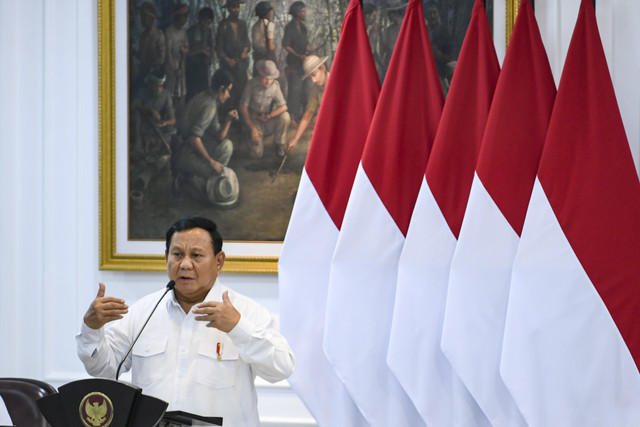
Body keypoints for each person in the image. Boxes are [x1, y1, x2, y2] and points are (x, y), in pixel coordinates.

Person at [76, 216, 295, 427]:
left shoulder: (245, 312)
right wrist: (92, 328)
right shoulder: (144, 311)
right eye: (177, 254)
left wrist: (237, 328)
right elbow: (103, 368)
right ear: (166, 257)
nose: (185, 264)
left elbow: (281, 368)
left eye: (197, 255)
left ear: (219, 262)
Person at [172, 69, 239, 205]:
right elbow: (193, 138)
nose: (229, 95)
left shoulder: (210, 99)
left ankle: (198, 179)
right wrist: (211, 162)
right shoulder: (209, 106)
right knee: (215, 172)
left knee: (227, 146)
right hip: (183, 151)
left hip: (192, 147)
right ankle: (186, 178)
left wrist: (228, 120)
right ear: (221, 88)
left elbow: (218, 137)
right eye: (228, 90)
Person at [130, 69, 175, 191]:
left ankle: (145, 176)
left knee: (164, 154)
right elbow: (134, 105)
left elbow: (173, 119)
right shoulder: (143, 92)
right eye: (155, 85)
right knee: (136, 115)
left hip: (158, 130)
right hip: (143, 129)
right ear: (150, 84)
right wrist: (149, 110)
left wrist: (165, 122)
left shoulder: (166, 95)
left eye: (160, 86)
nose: (158, 89)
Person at [239, 60, 290, 158]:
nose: (268, 81)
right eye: (266, 78)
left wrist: (269, 115)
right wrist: (252, 128)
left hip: (267, 119)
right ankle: (249, 137)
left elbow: (284, 106)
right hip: (254, 120)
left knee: (285, 116)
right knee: (256, 154)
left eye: (271, 78)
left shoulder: (275, 86)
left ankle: (279, 144)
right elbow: (243, 106)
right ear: (260, 75)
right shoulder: (251, 84)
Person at [286, 55, 328, 153]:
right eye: (310, 77)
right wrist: (295, 139)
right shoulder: (315, 90)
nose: (313, 80)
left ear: (322, 68)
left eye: (314, 75)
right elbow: (308, 114)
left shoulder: (336, 81)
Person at [215, 0, 250, 111]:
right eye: (234, 7)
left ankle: (240, 114)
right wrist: (228, 60)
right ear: (229, 9)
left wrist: (244, 51)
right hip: (228, 65)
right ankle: (228, 116)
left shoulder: (242, 24)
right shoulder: (223, 25)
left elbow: (247, 42)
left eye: (238, 7)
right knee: (230, 90)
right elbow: (219, 48)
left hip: (241, 63)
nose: (236, 10)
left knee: (242, 89)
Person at [282, 1, 312, 125]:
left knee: (306, 90)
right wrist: (298, 55)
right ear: (297, 13)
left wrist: (310, 50)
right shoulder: (289, 27)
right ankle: (292, 118)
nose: (305, 14)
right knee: (295, 91)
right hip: (293, 64)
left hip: (304, 65)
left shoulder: (303, 28)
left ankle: (303, 117)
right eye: (303, 11)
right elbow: (286, 45)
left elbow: (306, 44)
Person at [132, 1, 166, 95]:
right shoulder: (143, 36)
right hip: (143, 73)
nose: (141, 19)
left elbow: (161, 59)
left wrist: (147, 64)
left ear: (151, 18)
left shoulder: (159, 35)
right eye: (141, 16)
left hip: (154, 76)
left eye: (144, 16)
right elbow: (142, 57)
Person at [186, 7, 216, 102]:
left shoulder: (209, 31)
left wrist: (209, 55)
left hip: (203, 66)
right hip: (191, 66)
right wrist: (201, 51)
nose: (206, 25)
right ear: (199, 19)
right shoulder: (190, 31)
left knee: (203, 92)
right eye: (204, 22)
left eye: (208, 23)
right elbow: (187, 53)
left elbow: (212, 46)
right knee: (191, 93)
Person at [165, 3, 190, 108]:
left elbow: (188, 47)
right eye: (182, 17)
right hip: (172, 66)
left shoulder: (184, 31)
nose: (184, 20)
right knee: (172, 90)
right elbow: (168, 53)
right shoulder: (169, 31)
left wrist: (185, 50)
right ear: (177, 17)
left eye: (185, 17)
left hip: (181, 64)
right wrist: (174, 70)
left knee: (182, 90)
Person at [251, 1, 276, 76]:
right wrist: (274, 61)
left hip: (257, 59)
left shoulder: (254, 27)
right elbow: (270, 45)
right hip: (266, 58)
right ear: (266, 13)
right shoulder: (269, 25)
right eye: (269, 12)